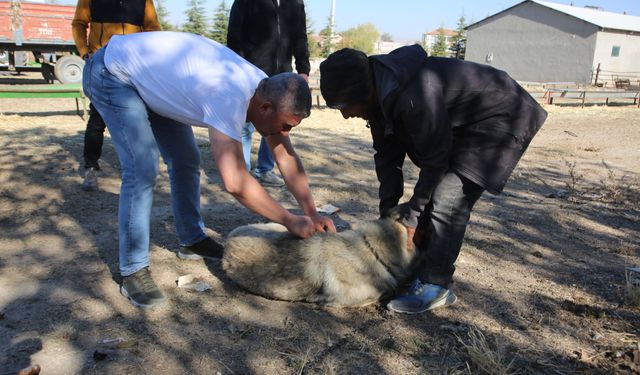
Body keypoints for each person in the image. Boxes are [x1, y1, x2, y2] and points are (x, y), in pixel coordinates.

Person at [83, 31, 336, 309]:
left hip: (151, 81)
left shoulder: (266, 90)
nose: (284, 133)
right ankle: (133, 269)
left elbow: (285, 156)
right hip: (113, 73)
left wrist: (311, 211)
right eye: (285, 125)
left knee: (186, 161)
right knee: (142, 167)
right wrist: (289, 219)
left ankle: (191, 239)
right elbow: (235, 181)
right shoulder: (227, 95)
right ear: (264, 108)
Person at [319, 46, 547, 314]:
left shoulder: (412, 95)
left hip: (502, 118)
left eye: (344, 106)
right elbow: (387, 159)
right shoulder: (379, 97)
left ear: (363, 93)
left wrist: (413, 217)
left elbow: (435, 162)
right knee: (428, 200)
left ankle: (436, 284)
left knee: (447, 199)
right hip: (462, 124)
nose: (346, 115)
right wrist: (386, 220)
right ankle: (420, 266)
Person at [72, 0, 161, 191]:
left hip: (134, 67)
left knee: (140, 119)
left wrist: (150, 58)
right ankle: (90, 167)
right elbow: (79, 23)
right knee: (97, 120)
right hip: (102, 65)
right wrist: (85, 52)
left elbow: (153, 29)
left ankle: (139, 170)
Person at [227, 0, 310, 187]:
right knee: (244, 125)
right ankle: (242, 169)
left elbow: (300, 36)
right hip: (250, 71)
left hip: (282, 76)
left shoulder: (295, 3)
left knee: (275, 124)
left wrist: (303, 68)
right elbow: (234, 33)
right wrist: (238, 67)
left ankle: (265, 170)